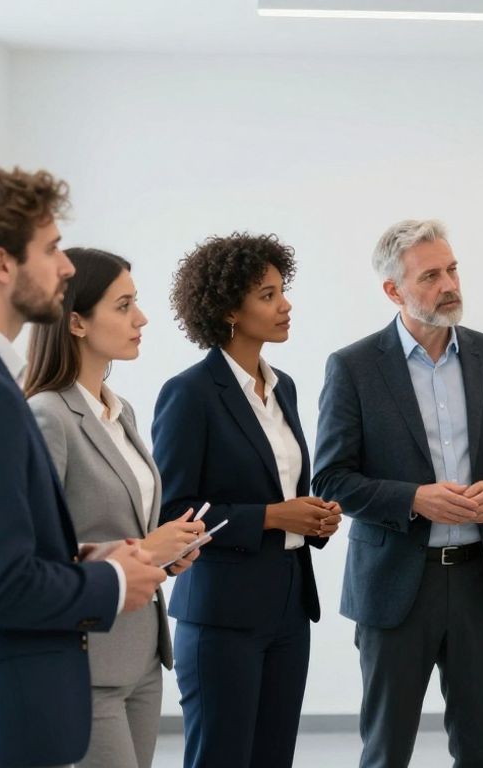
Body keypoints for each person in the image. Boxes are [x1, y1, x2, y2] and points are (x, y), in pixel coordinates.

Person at [0, 167, 165, 768]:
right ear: (1, 264)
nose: (67, 267)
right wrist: (116, 583)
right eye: (50, 250)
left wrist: (92, 557)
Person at [313, 219, 483, 768]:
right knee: (387, 748)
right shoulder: (353, 367)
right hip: (395, 587)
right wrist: (414, 498)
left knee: (480, 749)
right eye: (431, 276)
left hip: (480, 583)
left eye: (453, 269)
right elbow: (331, 479)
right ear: (394, 290)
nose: (449, 285)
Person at [152, 233, 341, 768]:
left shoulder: (285, 389)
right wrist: (274, 517)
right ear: (229, 308)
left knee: (273, 758)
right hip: (220, 615)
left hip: (288, 608)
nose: (285, 305)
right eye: (267, 295)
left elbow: (281, 487)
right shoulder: (189, 394)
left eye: (282, 291)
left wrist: (313, 517)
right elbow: (173, 513)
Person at [25, 247, 206, 768]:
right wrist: (146, 549)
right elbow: (39, 551)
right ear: (76, 322)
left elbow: (128, 525)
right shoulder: (47, 416)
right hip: (85, 660)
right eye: (124, 305)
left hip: (142, 655)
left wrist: (169, 552)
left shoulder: (118, 409)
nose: (141, 318)